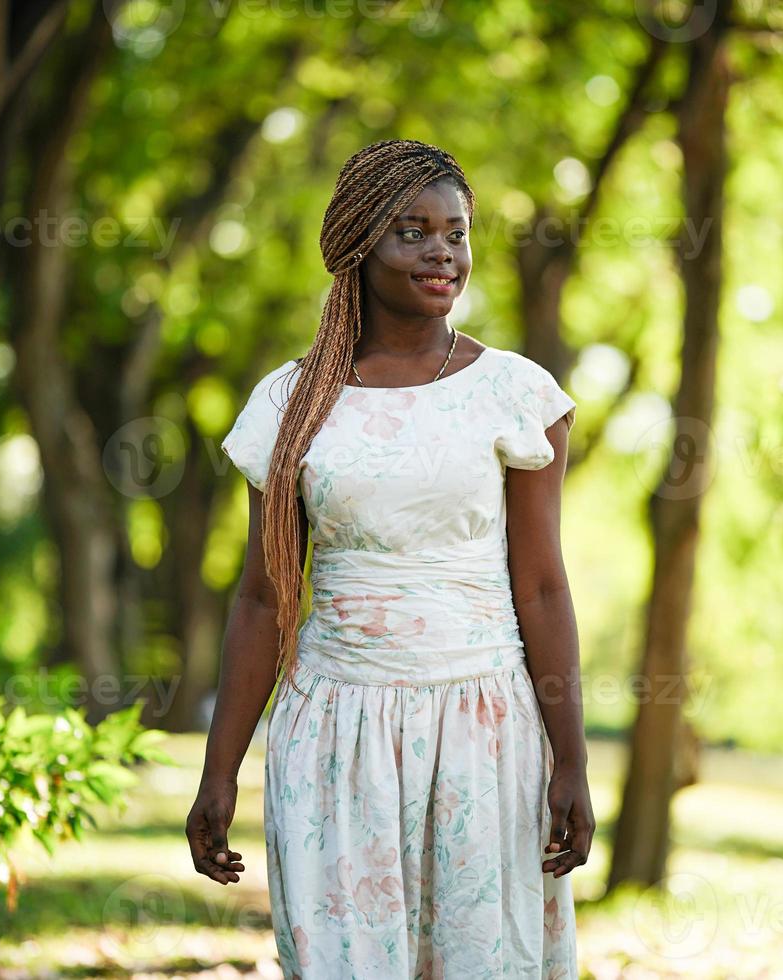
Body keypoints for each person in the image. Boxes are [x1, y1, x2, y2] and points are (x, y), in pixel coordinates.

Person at [185, 138, 592, 978]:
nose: (442, 251)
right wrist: (219, 771)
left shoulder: (512, 394)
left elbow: (543, 588)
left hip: (482, 728)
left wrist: (572, 759)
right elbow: (265, 600)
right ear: (358, 246)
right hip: (335, 731)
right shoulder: (292, 403)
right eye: (413, 231)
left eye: (456, 232)